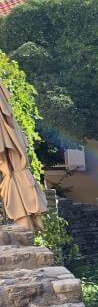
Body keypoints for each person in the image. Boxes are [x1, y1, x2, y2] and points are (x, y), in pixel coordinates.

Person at [0, 81, 47, 232]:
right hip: (16, 169)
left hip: (17, 170)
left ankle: (25, 221)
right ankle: (25, 220)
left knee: (11, 169)